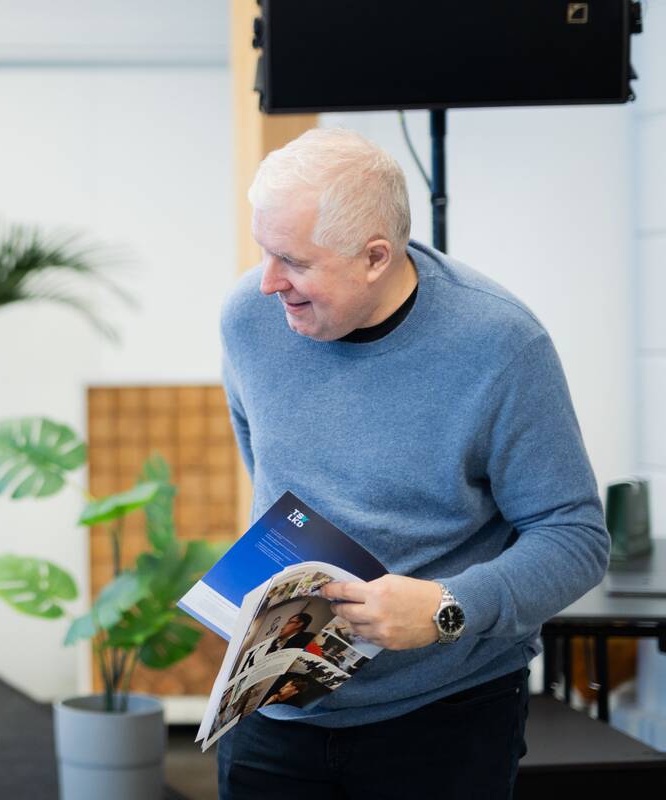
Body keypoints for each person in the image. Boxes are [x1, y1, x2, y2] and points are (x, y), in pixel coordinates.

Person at [216, 128, 608, 799]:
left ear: (375, 257)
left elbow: (575, 539)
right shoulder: (250, 320)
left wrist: (447, 607)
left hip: (445, 716)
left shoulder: (501, 345)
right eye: (264, 251)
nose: (268, 282)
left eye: (294, 261)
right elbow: (269, 472)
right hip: (275, 703)